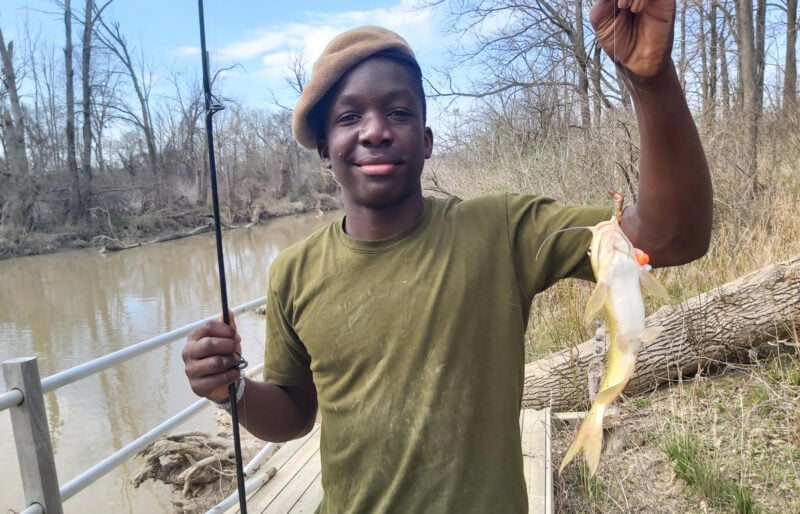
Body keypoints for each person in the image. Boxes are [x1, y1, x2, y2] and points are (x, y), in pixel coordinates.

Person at [183, 1, 712, 512]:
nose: (374, 129)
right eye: (349, 117)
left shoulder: (502, 230)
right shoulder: (292, 272)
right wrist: (233, 391)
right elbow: (295, 416)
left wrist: (650, 78)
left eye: (397, 111)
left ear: (427, 139)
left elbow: (672, 236)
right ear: (324, 149)